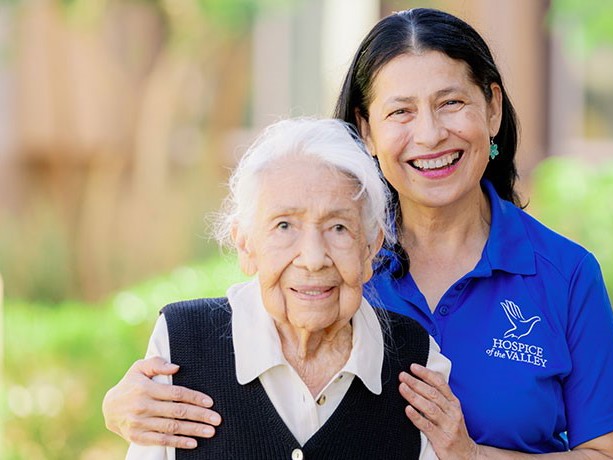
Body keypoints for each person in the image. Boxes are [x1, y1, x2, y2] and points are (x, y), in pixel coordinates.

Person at [104, 8, 613, 458]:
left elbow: (612, 455)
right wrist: (121, 406)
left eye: (451, 102)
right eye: (400, 112)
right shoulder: (332, 258)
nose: (430, 135)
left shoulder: (565, 274)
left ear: (493, 108)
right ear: (366, 130)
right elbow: (236, 362)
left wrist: (475, 457)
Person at [122, 117, 451, 459]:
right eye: (284, 226)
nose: (313, 258)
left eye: (338, 227)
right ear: (246, 245)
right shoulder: (182, 344)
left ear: (369, 248)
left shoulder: (415, 359)